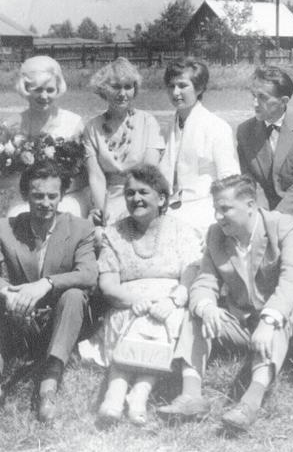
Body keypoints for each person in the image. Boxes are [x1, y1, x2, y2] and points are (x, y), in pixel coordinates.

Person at [158, 175, 293, 431]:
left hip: (289, 311)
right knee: (196, 313)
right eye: (215, 209)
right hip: (243, 318)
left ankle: (250, 403)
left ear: (250, 205)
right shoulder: (215, 235)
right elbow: (204, 281)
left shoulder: (284, 226)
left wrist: (269, 319)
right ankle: (191, 395)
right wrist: (207, 306)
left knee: (278, 324)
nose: (218, 216)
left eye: (225, 209)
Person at [0, 160, 97, 424]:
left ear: (61, 196)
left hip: (60, 322)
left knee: (74, 294)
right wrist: (6, 293)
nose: (45, 203)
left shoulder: (80, 228)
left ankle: (49, 382)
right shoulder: (5, 228)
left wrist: (46, 283)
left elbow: (88, 275)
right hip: (18, 318)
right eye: (38, 196)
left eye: (52, 196)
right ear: (26, 196)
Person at [77, 165, 203, 426]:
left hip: (171, 305)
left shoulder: (182, 230)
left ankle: (134, 394)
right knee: (140, 320)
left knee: (159, 321)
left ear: (162, 198)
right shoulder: (114, 233)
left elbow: (192, 274)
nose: (136, 199)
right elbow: (108, 285)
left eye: (144, 192)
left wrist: (172, 301)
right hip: (126, 304)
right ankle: (121, 393)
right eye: (130, 193)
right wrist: (137, 301)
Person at [0, 56, 87, 218]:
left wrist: (54, 189)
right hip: (27, 199)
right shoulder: (12, 125)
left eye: (50, 90)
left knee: (65, 220)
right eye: (37, 90)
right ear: (25, 89)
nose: (44, 96)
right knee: (17, 218)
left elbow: (86, 176)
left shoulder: (74, 123)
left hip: (67, 197)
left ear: (58, 89)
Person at [159, 56, 241, 235]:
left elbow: (230, 179)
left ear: (200, 88)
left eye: (182, 85)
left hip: (204, 209)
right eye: (171, 86)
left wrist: (223, 219)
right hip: (168, 209)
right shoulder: (166, 130)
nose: (175, 92)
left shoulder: (216, 127)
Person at [84, 57, 165, 226]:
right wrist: (101, 211)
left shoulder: (148, 122)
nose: (122, 94)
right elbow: (96, 177)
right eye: (115, 87)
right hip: (110, 197)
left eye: (128, 87)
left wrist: (136, 204)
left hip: (142, 196)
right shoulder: (92, 127)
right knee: (100, 233)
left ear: (134, 89)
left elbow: (149, 172)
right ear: (104, 89)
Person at [237, 65, 293, 215]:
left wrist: (280, 215)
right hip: (263, 208)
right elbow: (250, 181)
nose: (255, 103)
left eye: (262, 97)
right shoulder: (244, 131)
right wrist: (263, 214)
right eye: (254, 96)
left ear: (283, 101)